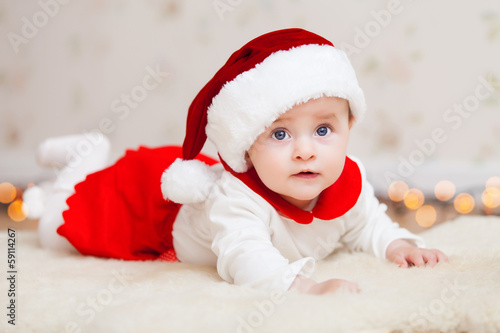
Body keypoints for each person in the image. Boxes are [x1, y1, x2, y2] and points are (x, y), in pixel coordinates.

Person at [24, 28, 448, 295]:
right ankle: (83, 157)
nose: (306, 151)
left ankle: (79, 166)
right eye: (279, 134)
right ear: (247, 147)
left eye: (323, 130)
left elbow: (367, 223)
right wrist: (303, 287)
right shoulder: (238, 198)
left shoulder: (344, 180)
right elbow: (243, 256)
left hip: (176, 193)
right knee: (53, 230)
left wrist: (397, 245)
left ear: (349, 126)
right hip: (152, 209)